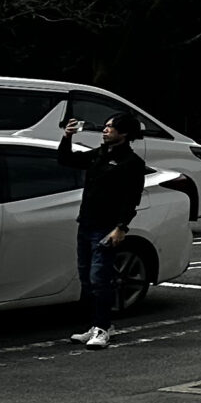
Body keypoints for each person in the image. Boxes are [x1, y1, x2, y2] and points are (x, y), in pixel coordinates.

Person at [60, 111, 148, 349]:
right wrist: (67, 137)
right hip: (86, 223)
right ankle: (97, 325)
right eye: (106, 126)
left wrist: (121, 227)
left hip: (106, 228)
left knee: (100, 279)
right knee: (87, 279)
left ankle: (103, 328)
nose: (105, 130)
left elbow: (132, 198)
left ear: (124, 133)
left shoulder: (132, 163)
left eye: (111, 127)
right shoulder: (98, 155)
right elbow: (67, 160)